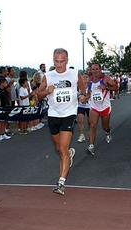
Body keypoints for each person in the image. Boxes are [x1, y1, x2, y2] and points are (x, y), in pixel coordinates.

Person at [37, 48, 86, 195]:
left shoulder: (73, 74)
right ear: (53, 61)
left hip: (69, 113)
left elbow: (83, 90)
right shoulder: (48, 76)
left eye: (62, 61)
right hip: (53, 114)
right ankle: (69, 154)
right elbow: (38, 95)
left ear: (67, 61)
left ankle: (61, 183)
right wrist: (46, 91)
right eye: (56, 61)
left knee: (63, 150)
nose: (59, 65)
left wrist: (83, 96)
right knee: (59, 149)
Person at [85, 63, 118, 156]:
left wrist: (106, 87)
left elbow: (116, 87)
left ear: (100, 69)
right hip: (94, 106)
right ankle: (91, 146)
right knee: (92, 125)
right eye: (93, 69)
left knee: (105, 126)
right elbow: (89, 93)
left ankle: (108, 132)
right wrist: (85, 97)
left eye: (96, 69)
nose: (94, 71)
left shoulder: (105, 78)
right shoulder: (90, 80)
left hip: (105, 106)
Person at [77, 72, 91, 143]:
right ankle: (81, 135)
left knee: (89, 122)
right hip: (81, 105)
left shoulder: (90, 86)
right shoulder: (79, 86)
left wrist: (85, 99)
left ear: (89, 78)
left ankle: (90, 133)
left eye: (86, 77)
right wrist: (80, 97)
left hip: (89, 106)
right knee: (80, 121)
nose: (85, 78)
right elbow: (78, 94)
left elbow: (90, 94)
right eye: (83, 77)